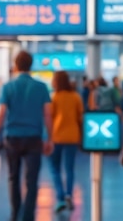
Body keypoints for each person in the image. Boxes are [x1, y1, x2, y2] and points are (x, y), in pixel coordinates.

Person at [0, 50, 54, 221]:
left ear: (15, 66)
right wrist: (50, 138)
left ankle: (15, 214)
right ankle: (29, 216)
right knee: (32, 180)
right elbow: (48, 114)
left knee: (13, 178)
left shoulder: (7, 87)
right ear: (31, 66)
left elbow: (0, 114)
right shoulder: (41, 87)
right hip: (34, 137)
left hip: (13, 138)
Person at [48, 71, 84, 213]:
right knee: (69, 168)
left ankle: (60, 197)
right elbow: (80, 118)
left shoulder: (54, 97)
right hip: (72, 136)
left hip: (56, 136)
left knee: (54, 167)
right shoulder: (76, 97)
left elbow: (50, 117)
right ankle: (69, 194)